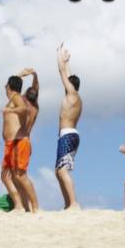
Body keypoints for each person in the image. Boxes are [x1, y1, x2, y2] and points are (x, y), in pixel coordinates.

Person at [0, 68, 42, 213]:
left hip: (20, 140)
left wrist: (10, 110)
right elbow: (12, 87)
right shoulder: (26, 101)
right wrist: (26, 76)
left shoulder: (23, 102)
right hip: (13, 142)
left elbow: (22, 95)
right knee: (8, 176)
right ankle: (21, 206)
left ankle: (34, 206)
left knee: (19, 176)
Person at [53, 45, 83, 210]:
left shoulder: (72, 94)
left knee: (63, 171)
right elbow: (69, 76)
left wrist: (58, 55)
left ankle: (74, 203)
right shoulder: (76, 96)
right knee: (59, 171)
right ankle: (68, 204)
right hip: (70, 135)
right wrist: (67, 62)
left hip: (67, 135)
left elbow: (62, 73)